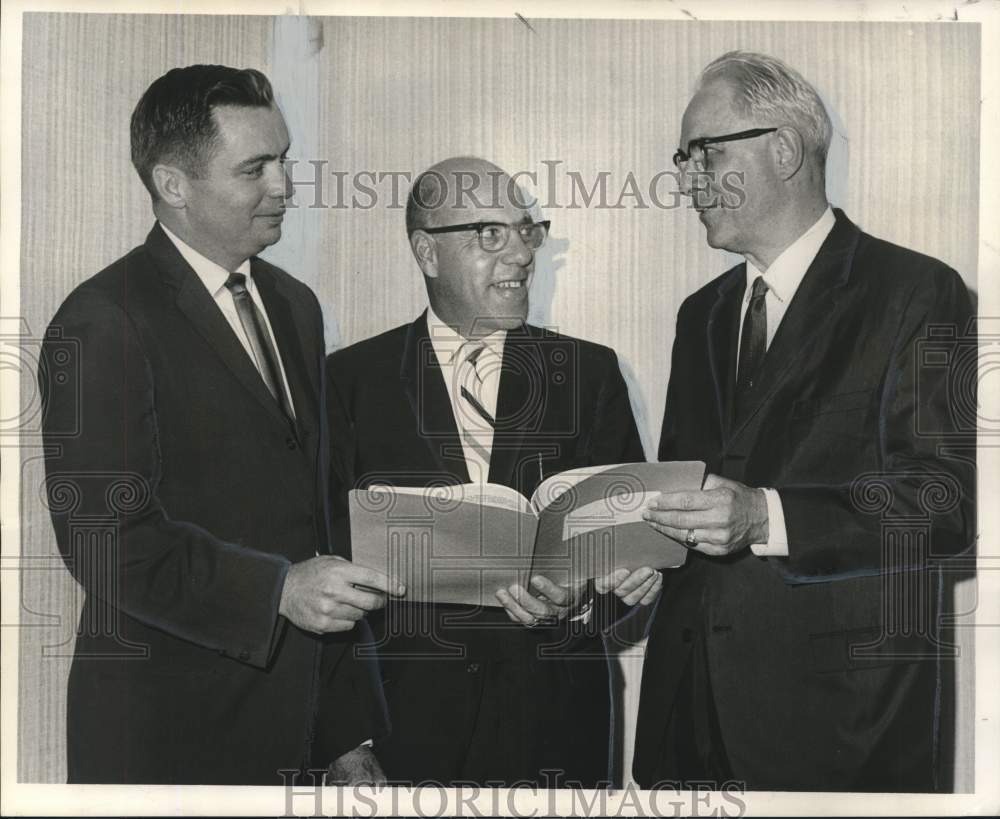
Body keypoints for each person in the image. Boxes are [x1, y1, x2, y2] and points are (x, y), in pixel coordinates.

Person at [39, 64, 401, 785]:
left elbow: (317, 525)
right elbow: (105, 540)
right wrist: (275, 591)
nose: (286, 187)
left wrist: (347, 732)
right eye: (255, 168)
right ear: (173, 185)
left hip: (298, 740)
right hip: (164, 745)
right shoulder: (102, 318)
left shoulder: (294, 303)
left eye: (284, 159)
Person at [633, 51, 976, 792]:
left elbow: (943, 504)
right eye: (683, 158)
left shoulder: (917, 292)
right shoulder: (702, 316)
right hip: (685, 722)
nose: (686, 179)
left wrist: (764, 515)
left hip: (838, 734)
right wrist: (639, 555)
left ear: (783, 149)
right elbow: (687, 496)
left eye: (705, 153)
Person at [326, 156, 662, 787]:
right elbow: (321, 567)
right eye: (490, 234)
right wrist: (344, 742)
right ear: (427, 252)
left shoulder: (589, 374)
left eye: (526, 230)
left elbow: (628, 561)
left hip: (557, 734)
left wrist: (591, 596)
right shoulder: (348, 383)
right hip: (405, 736)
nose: (520, 254)